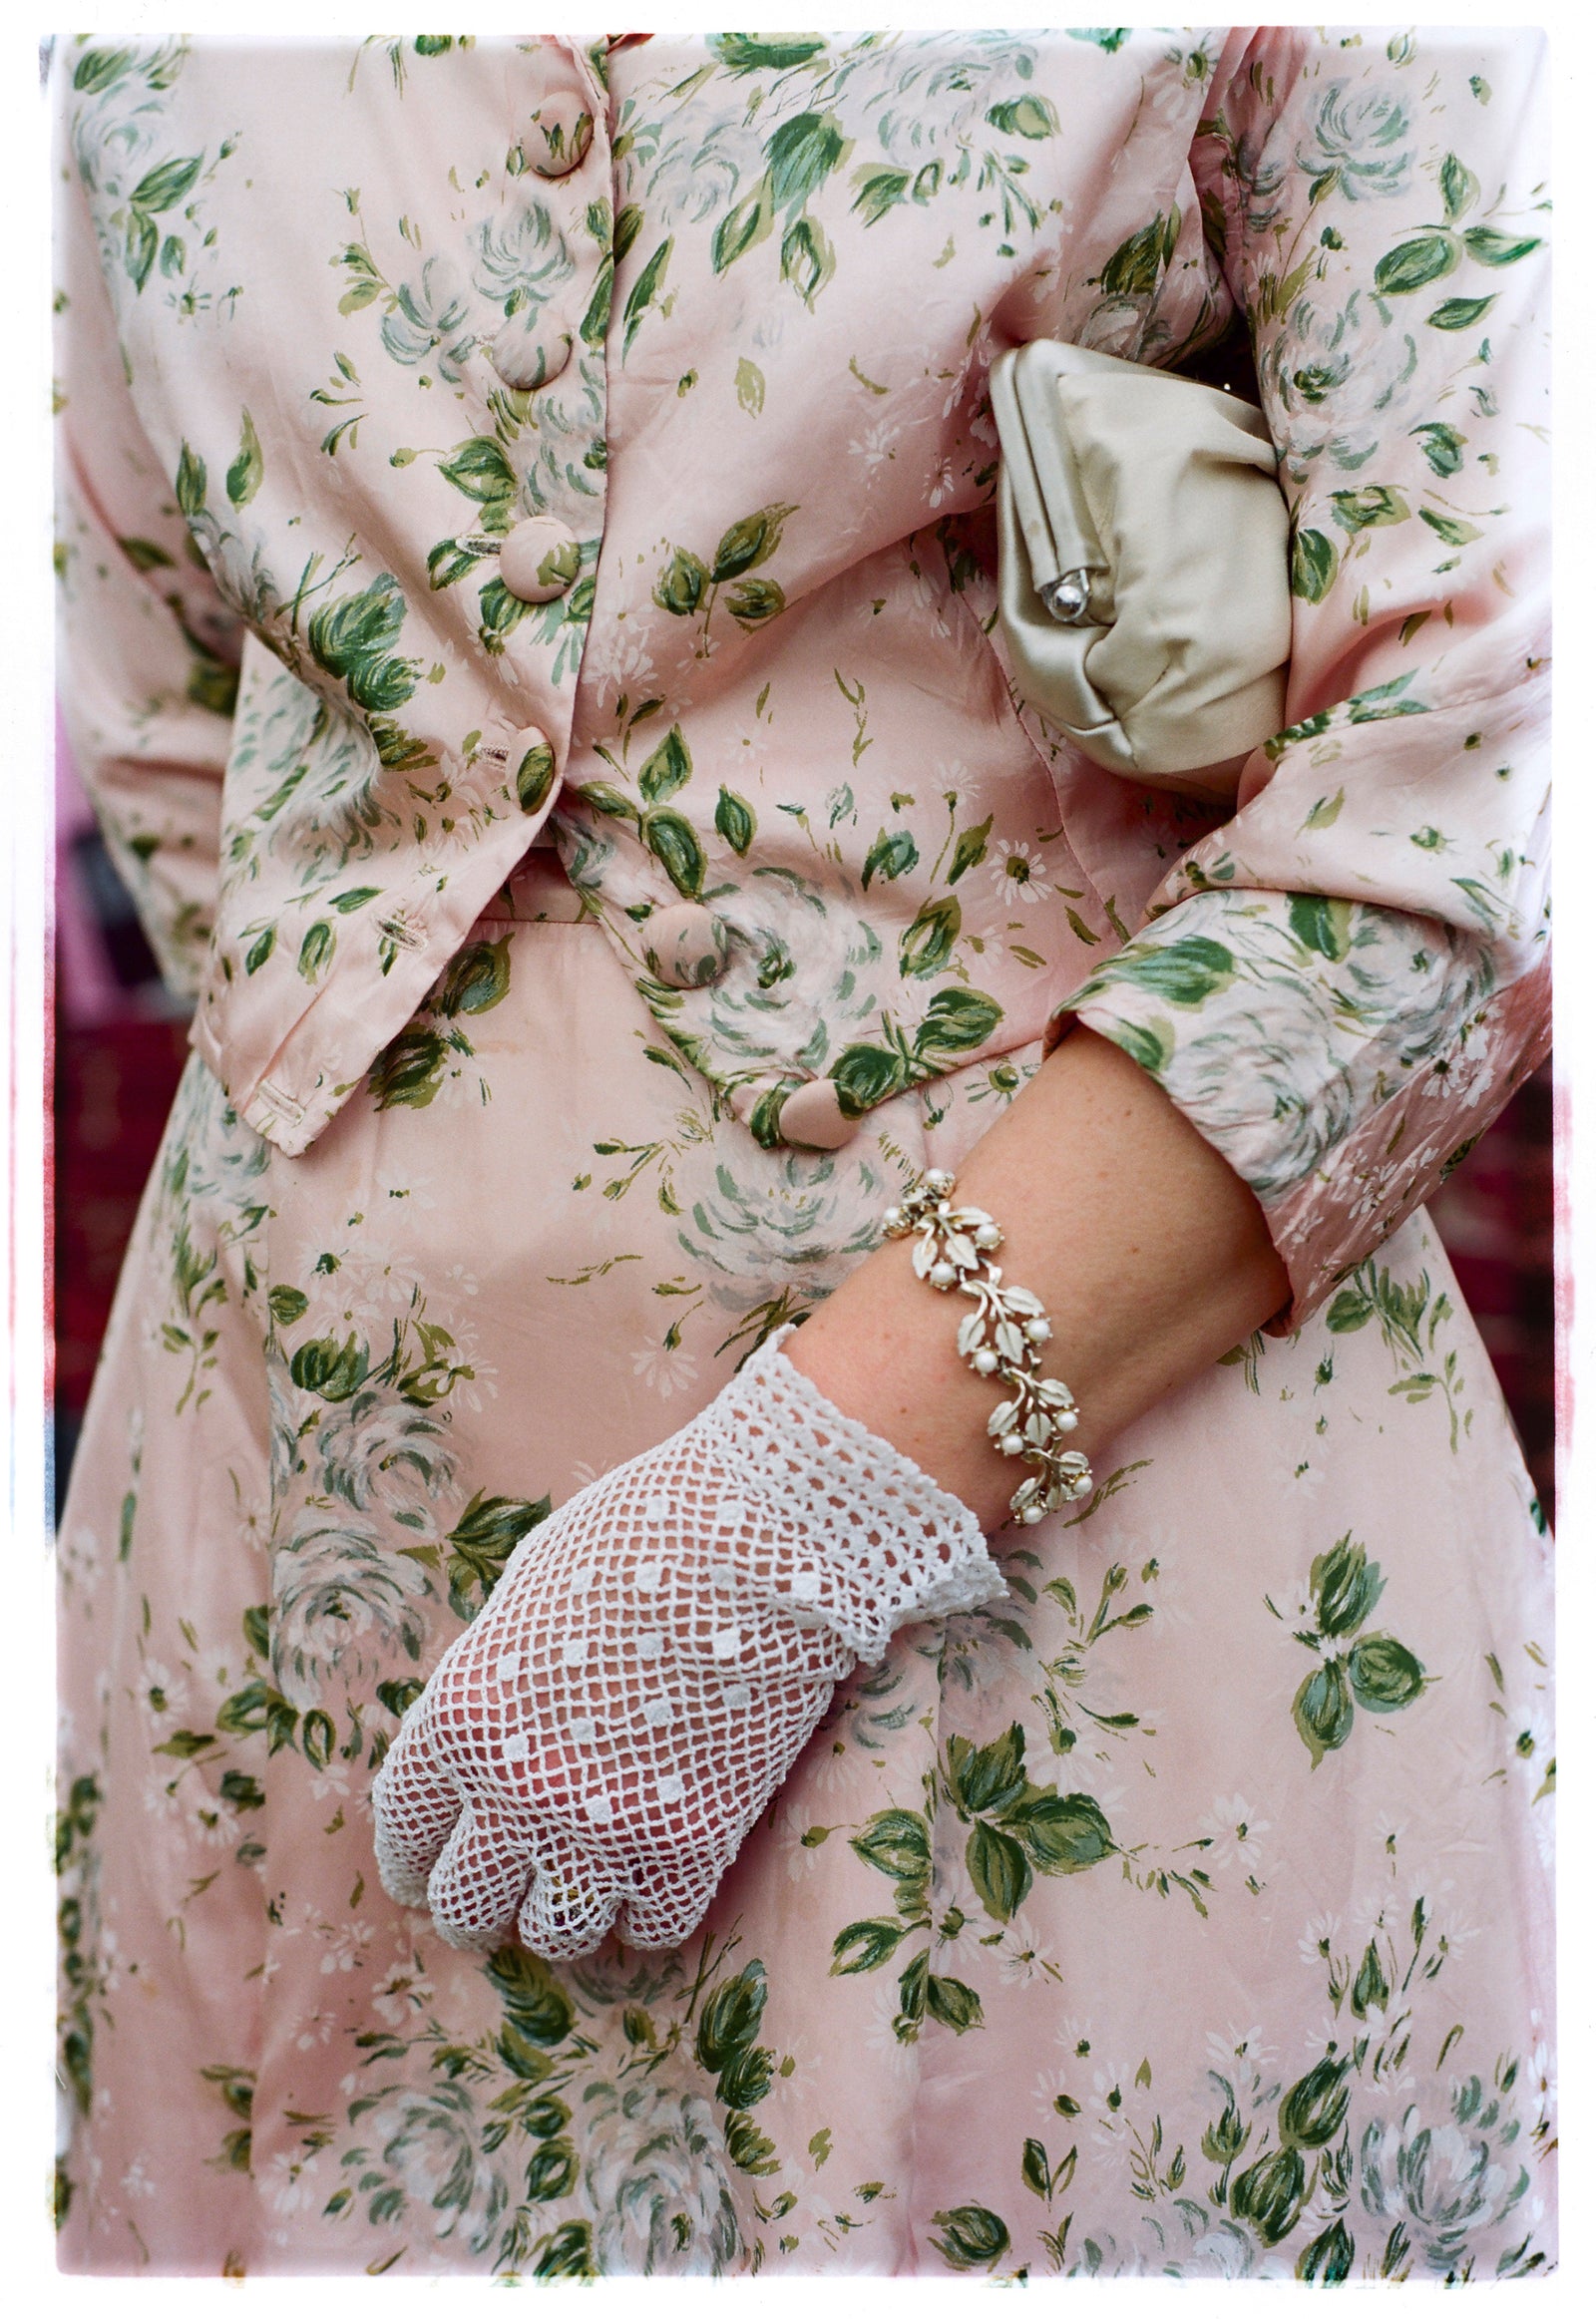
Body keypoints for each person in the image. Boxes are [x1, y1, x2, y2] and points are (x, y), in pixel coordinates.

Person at [53, 26, 1552, 2279]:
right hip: (296, 1541)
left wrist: (803, 1506)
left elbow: (1488, 767)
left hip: (1060, 1526)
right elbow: (177, 699)